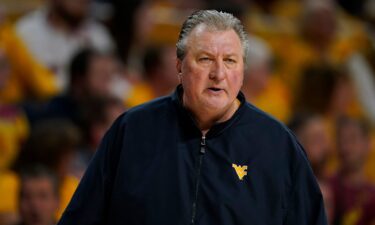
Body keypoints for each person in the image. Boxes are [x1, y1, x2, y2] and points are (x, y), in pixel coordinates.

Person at [58, 10, 327, 225]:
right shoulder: (132, 130)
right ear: (179, 66)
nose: (218, 73)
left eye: (230, 61)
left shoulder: (277, 146)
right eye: (205, 59)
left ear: (243, 70)